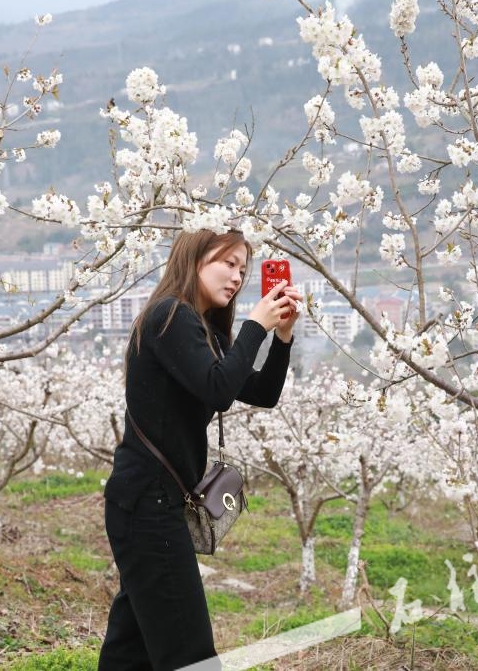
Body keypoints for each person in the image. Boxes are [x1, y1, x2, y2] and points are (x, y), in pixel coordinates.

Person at [98, 229, 302, 670]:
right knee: (191, 655)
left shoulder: (202, 328)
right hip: (147, 505)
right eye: (227, 263)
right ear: (194, 259)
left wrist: (281, 337)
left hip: (146, 505)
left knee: (130, 650)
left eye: (243, 270)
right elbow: (218, 391)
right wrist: (255, 325)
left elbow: (260, 393)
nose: (236, 277)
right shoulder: (170, 317)